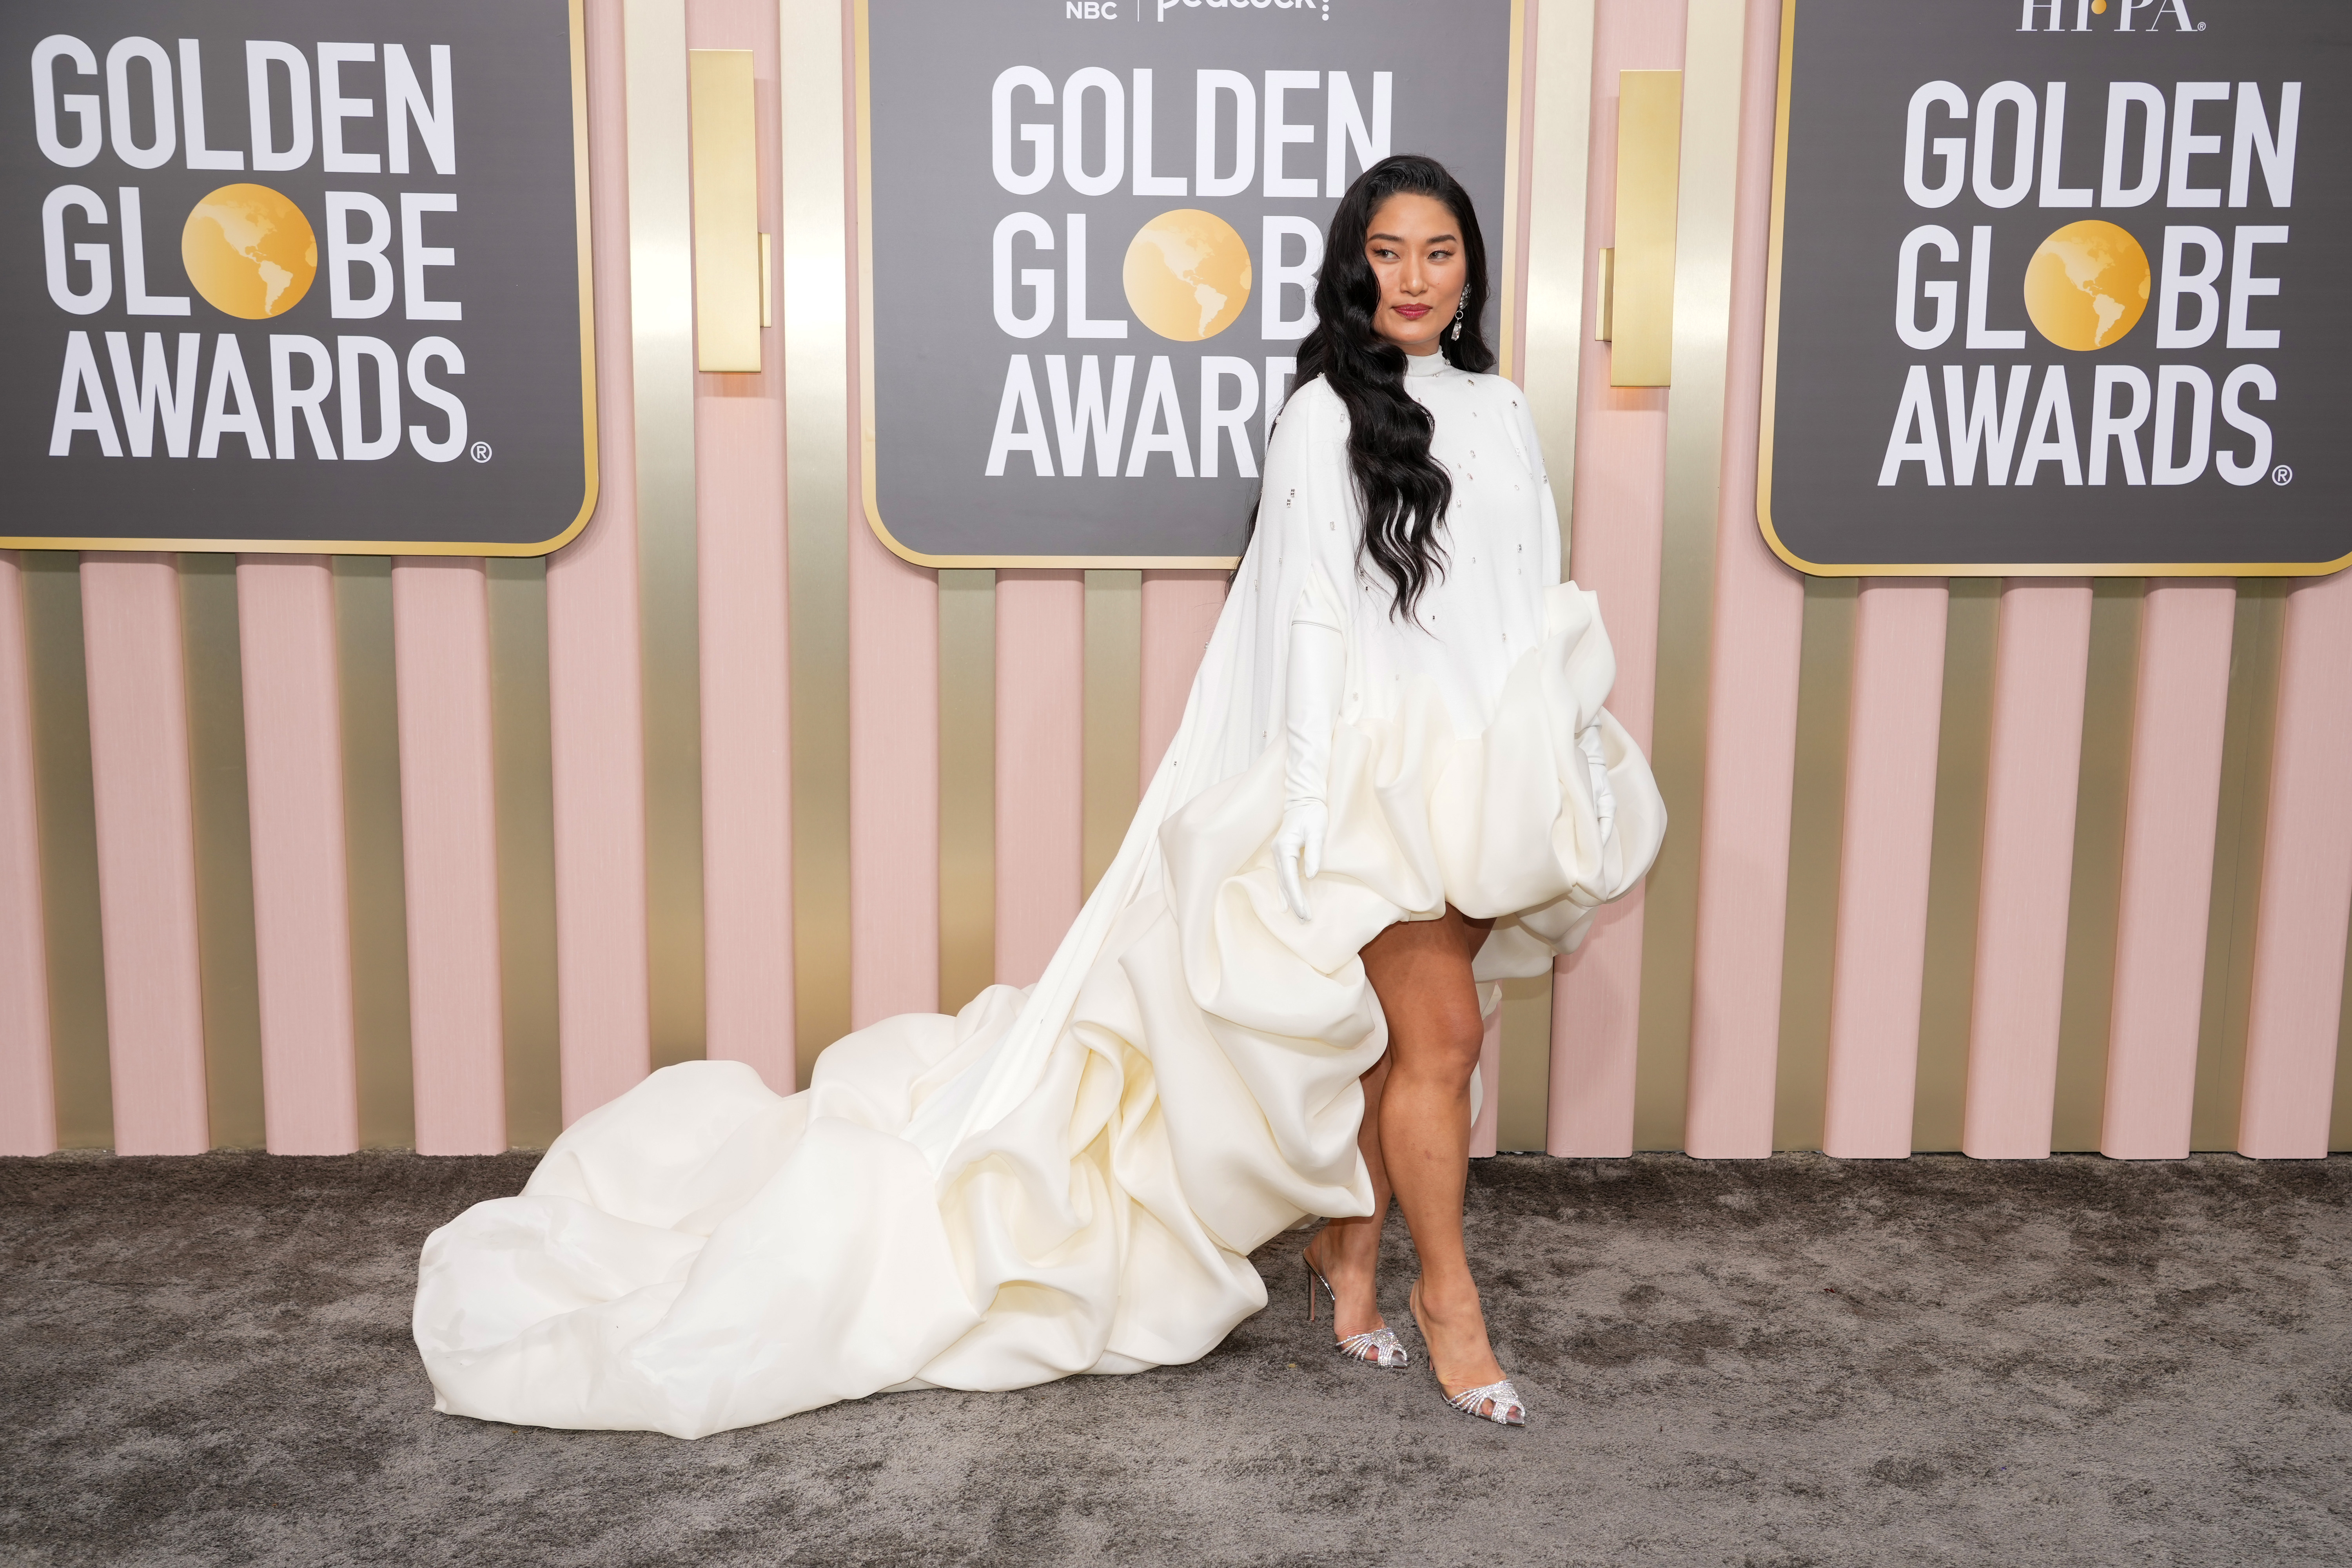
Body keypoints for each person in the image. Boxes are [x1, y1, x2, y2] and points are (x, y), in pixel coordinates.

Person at [411, 154, 1662, 1439]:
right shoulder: (1323, 416)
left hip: (1485, 776)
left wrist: (1552, 749)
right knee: (1441, 1039)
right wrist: (1300, 808)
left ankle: (1347, 1263)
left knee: (1404, 1045)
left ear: (1471, 270)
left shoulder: (1504, 410)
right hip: (1367, 782)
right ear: (1355, 267)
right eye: (1388, 252)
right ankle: (1451, 1303)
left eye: (1439, 252)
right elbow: (1306, 618)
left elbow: (1531, 585)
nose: (1414, 278)